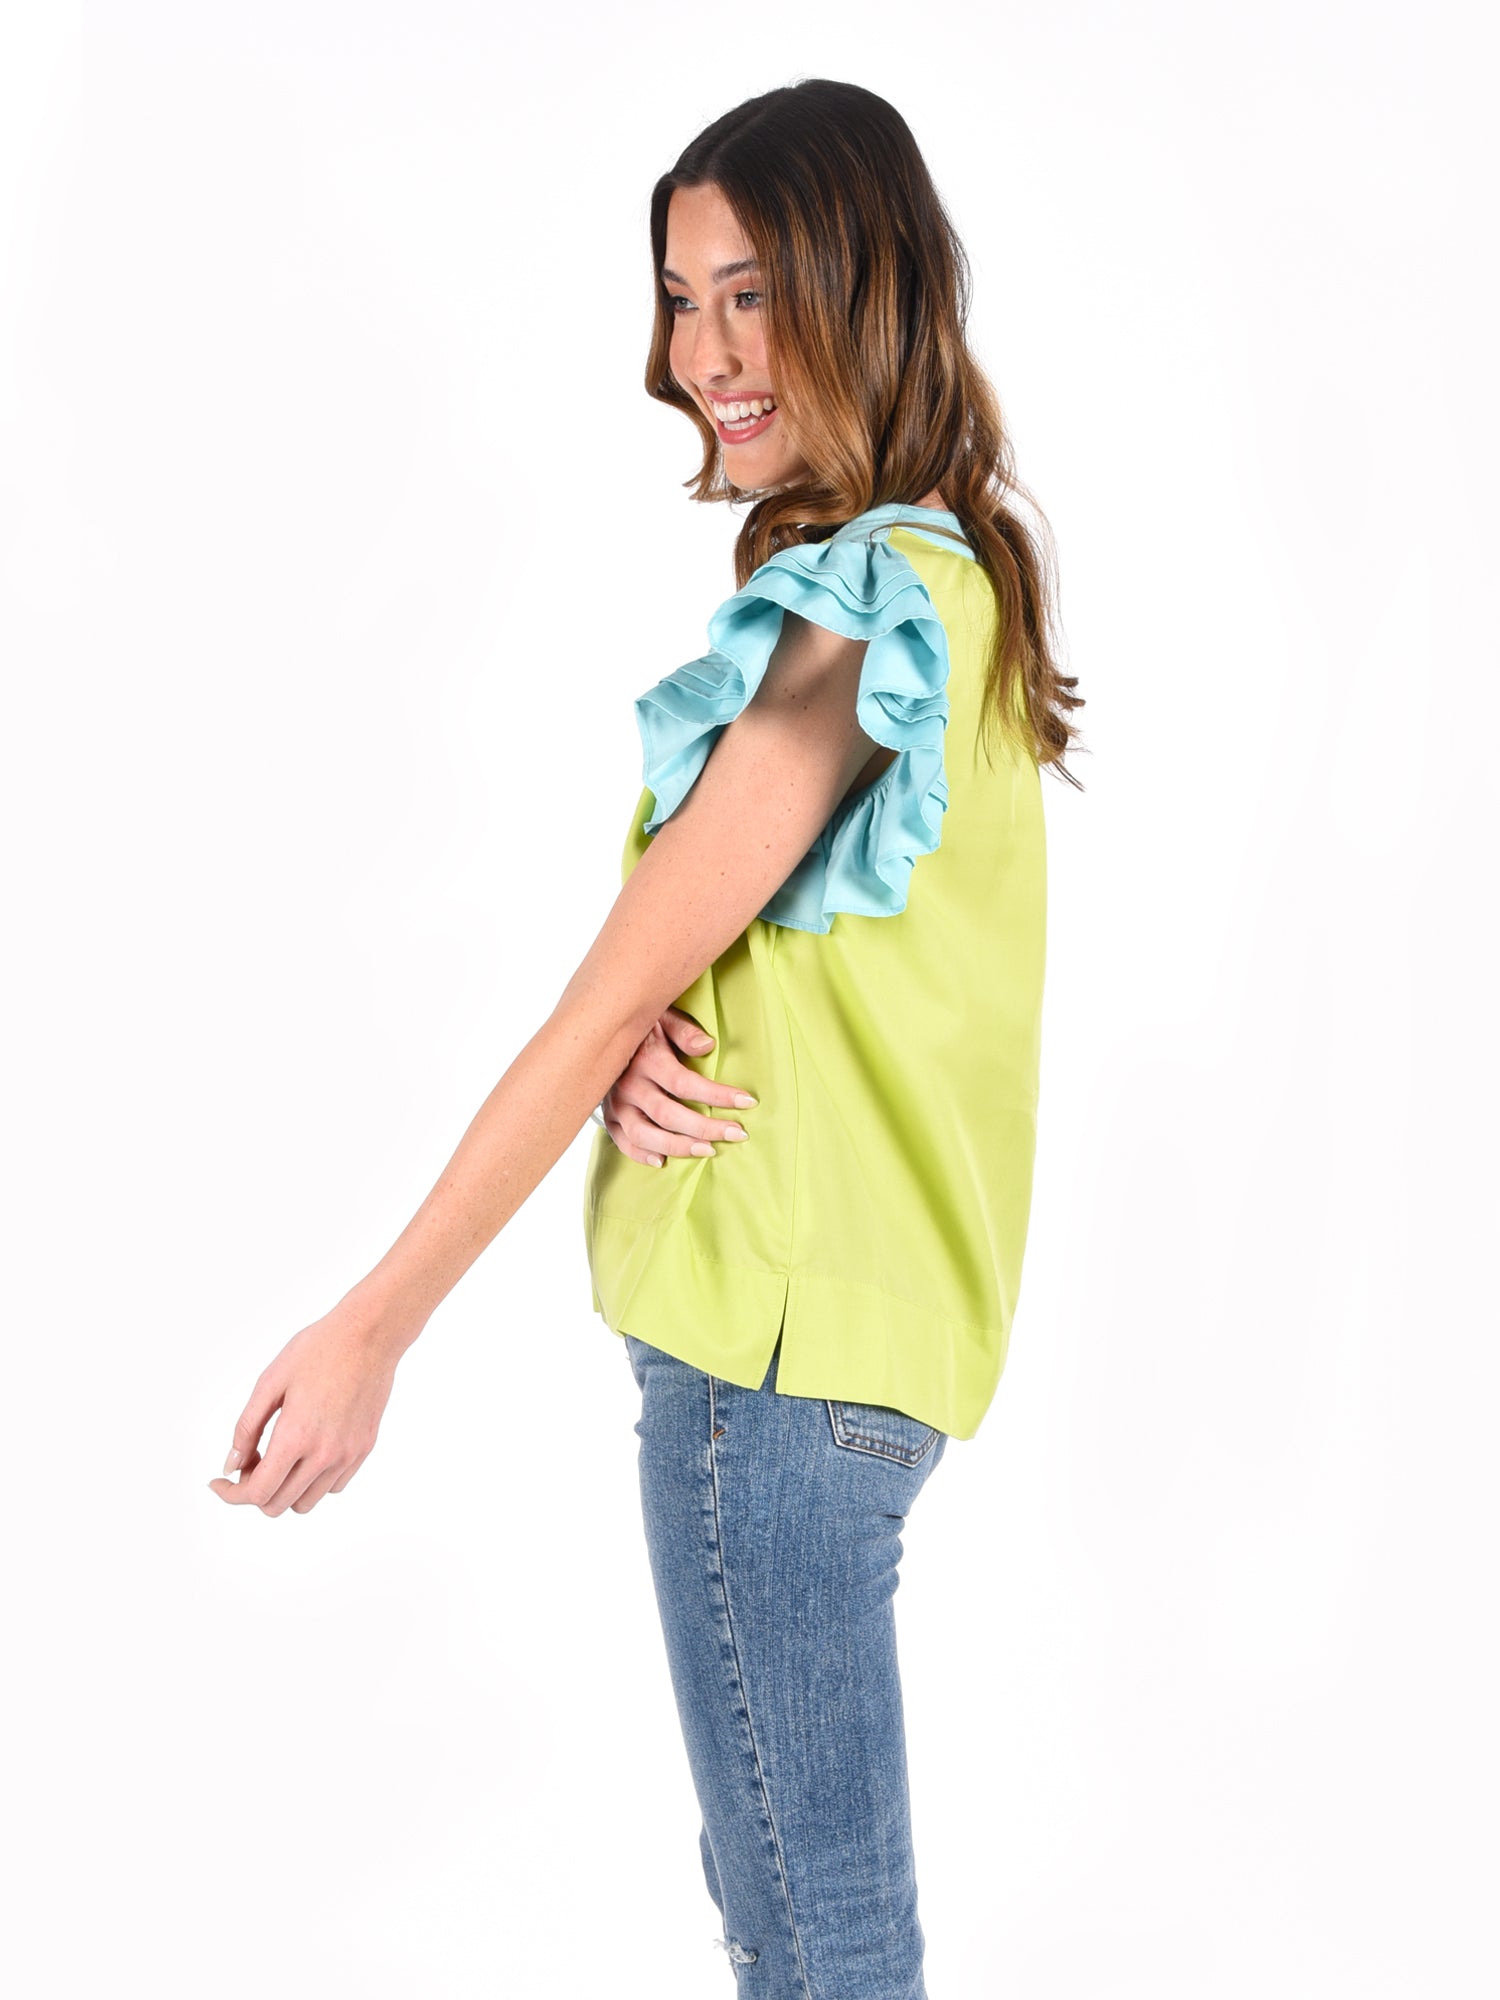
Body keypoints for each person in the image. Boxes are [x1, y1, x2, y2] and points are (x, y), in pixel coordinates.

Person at [209, 76, 1083, 1999]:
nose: (707, 354)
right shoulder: (959, 578)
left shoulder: (864, 614)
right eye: (685, 300)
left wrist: (371, 1328)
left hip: (770, 1369)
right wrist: (655, 1028)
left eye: (752, 292)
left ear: (864, 282)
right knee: (811, 1931)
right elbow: (775, 964)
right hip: (867, 1353)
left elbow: (624, 975)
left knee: (819, 1948)